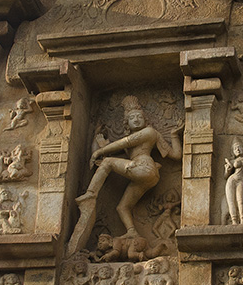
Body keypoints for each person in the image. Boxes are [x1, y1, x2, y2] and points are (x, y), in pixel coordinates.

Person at [76, 96, 182, 237]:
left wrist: (100, 151)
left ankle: (90, 194)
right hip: (146, 176)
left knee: (108, 162)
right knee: (122, 207)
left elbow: (125, 143)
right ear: (127, 123)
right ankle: (132, 232)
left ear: (145, 120)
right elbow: (111, 153)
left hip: (144, 167)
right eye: (132, 118)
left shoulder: (149, 132)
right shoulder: (131, 145)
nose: (136, 119)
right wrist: (98, 141)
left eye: (139, 117)